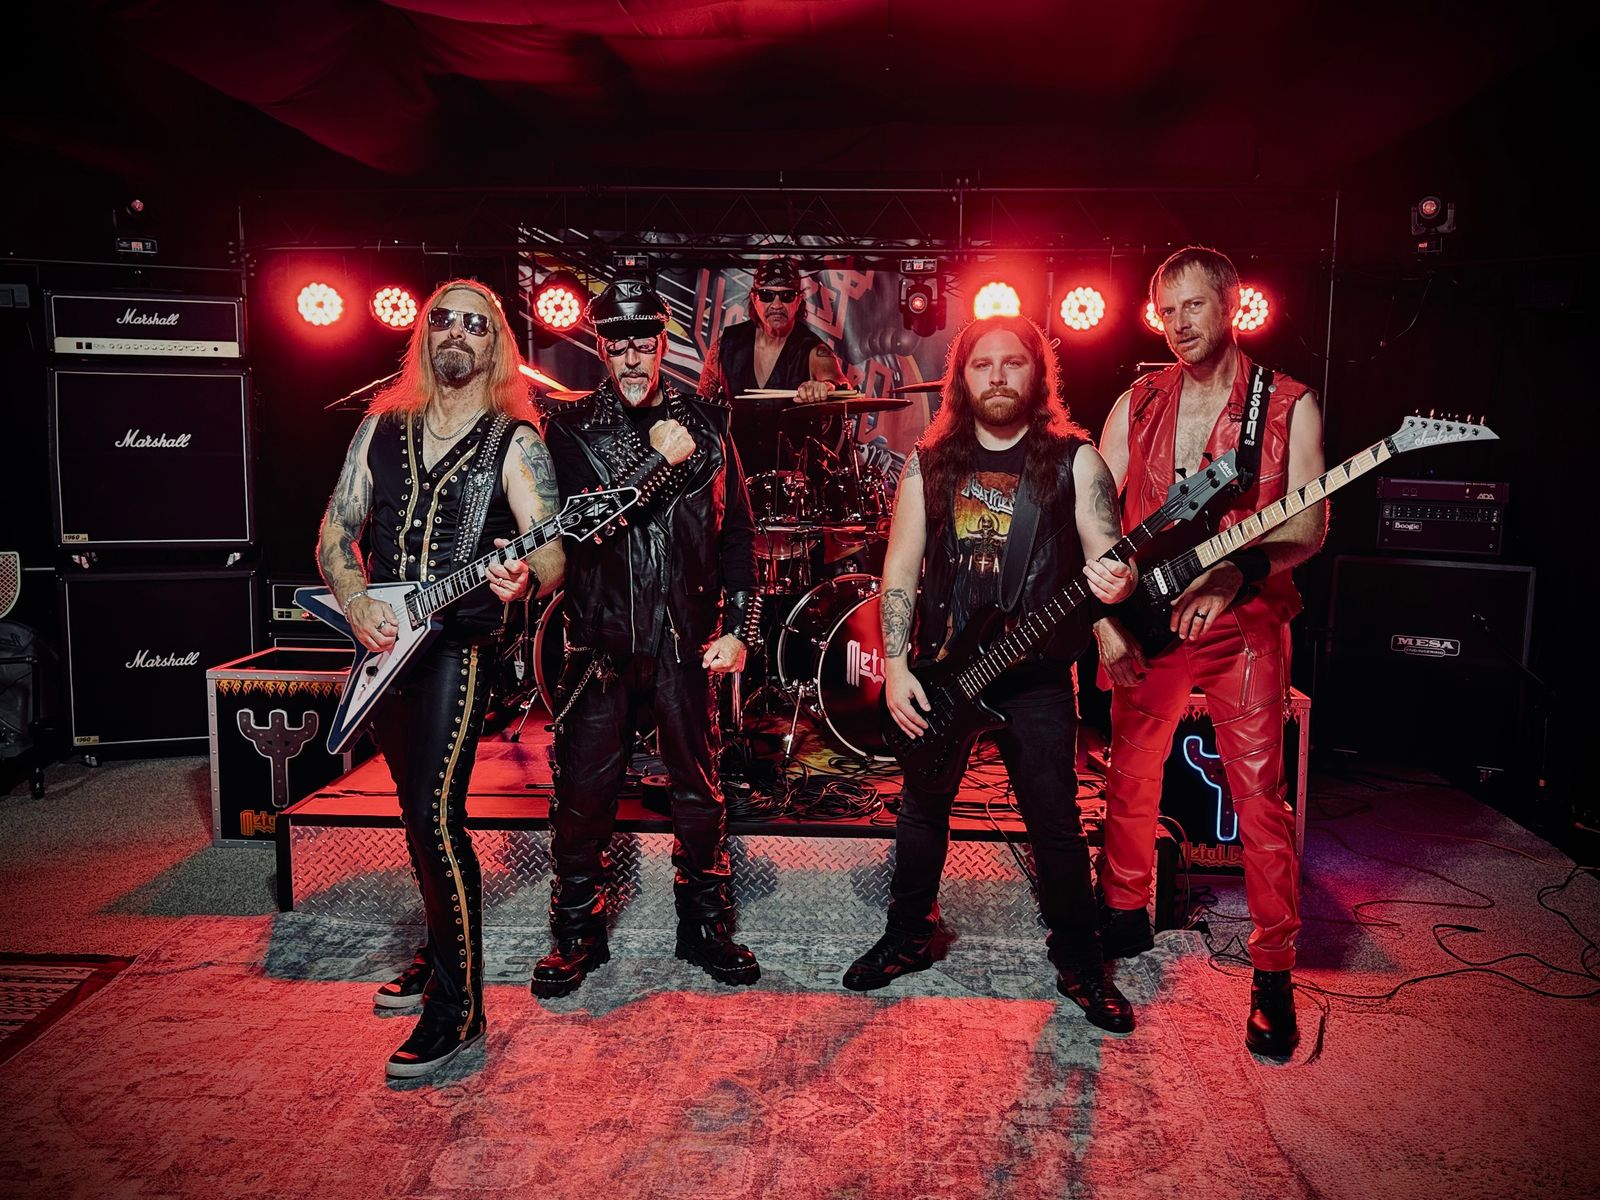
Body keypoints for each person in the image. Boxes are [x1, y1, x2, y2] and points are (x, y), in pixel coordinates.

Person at [844, 314, 1140, 1033]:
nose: (999, 376)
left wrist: (1120, 583)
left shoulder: (1076, 462)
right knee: (922, 811)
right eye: (983, 364)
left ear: (1039, 373)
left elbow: (1111, 559)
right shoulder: (930, 463)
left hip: (1036, 676)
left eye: (1014, 362)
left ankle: (1079, 959)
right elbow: (900, 571)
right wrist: (896, 667)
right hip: (946, 670)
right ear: (962, 378)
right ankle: (908, 935)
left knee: (1055, 824)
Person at [316, 278, 564, 1078]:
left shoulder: (514, 441)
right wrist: (356, 599)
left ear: (497, 347)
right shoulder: (380, 426)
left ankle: (459, 1008)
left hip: (461, 645)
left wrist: (522, 577)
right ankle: (436, 953)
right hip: (384, 647)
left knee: (435, 812)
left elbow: (551, 554)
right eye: (444, 321)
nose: (458, 333)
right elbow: (336, 530)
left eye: (477, 326)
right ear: (425, 335)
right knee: (413, 810)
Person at [1095, 246, 1327, 1057]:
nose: (1179, 324)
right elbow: (1094, 516)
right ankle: (1122, 917)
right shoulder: (1137, 400)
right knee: (1130, 773)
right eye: (1167, 310)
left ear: (1231, 306)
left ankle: (1273, 973)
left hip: (1244, 621)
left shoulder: (1287, 403)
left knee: (1260, 800)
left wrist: (1237, 572)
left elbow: (1309, 524)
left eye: (1194, 306)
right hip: (1149, 620)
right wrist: (1103, 619)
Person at [531, 274, 763, 997]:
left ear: (662, 344)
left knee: (699, 792)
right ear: (601, 348)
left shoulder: (710, 424)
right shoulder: (569, 429)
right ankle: (577, 933)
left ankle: (706, 926)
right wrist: (659, 459)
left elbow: (737, 537)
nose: (631, 358)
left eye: (643, 342)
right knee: (583, 794)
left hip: (682, 643)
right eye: (617, 344)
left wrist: (741, 630)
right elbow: (586, 526)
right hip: (598, 644)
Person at [697, 255, 849, 477]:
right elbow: (702, 407)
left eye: (786, 296)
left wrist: (825, 386)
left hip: (793, 482)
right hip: (736, 478)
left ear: (798, 300)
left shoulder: (814, 350)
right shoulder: (725, 346)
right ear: (754, 298)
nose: (777, 305)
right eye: (767, 295)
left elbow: (840, 383)